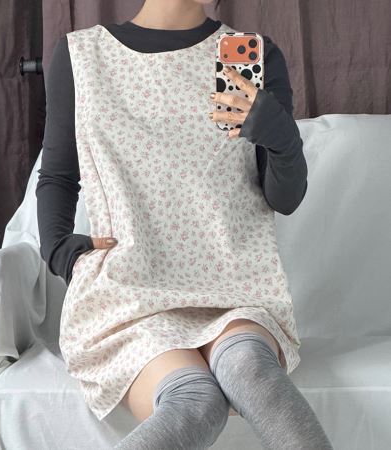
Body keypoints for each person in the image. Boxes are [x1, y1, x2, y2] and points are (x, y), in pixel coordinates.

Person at [36, 0, 334, 448]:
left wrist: (279, 134)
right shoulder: (83, 55)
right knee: (195, 402)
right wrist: (62, 252)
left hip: (233, 288)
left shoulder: (246, 53)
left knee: (251, 371)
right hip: (131, 293)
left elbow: (284, 198)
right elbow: (59, 175)